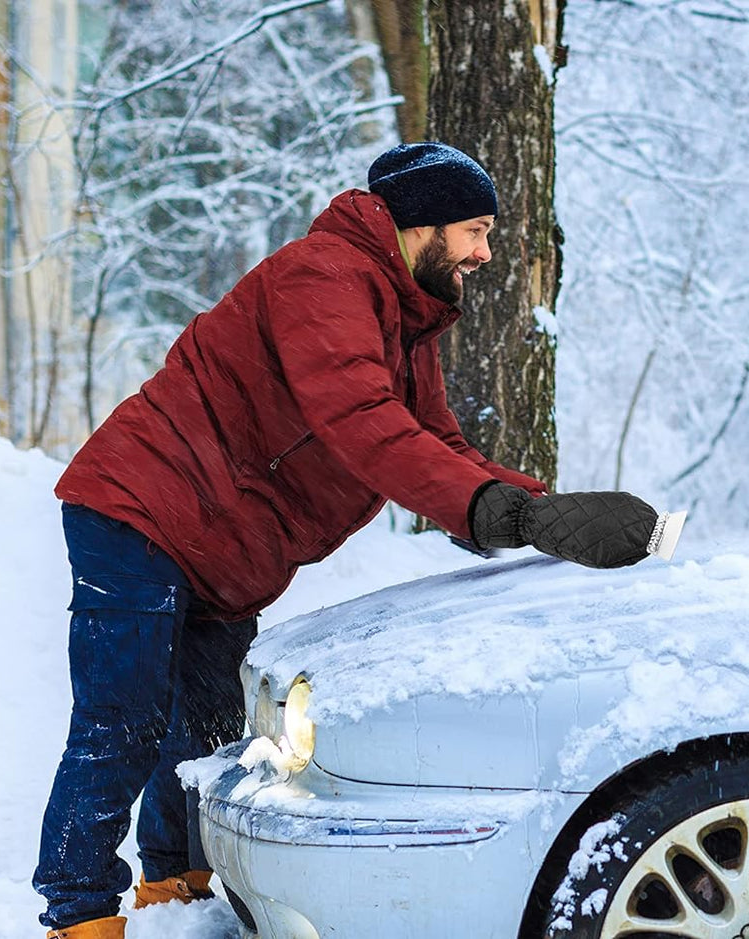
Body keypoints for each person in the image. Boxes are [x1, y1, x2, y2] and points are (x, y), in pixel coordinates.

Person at [34, 142, 658, 939]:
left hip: (222, 544)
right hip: (142, 507)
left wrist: (546, 512)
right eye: (473, 229)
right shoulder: (322, 276)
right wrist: (503, 511)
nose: (483, 253)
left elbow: (436, 442)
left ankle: (177, 893)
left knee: (213, 730)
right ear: (420, 223)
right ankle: (77, 913)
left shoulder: (406, 321)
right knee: (124, 719)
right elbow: (363, 424)